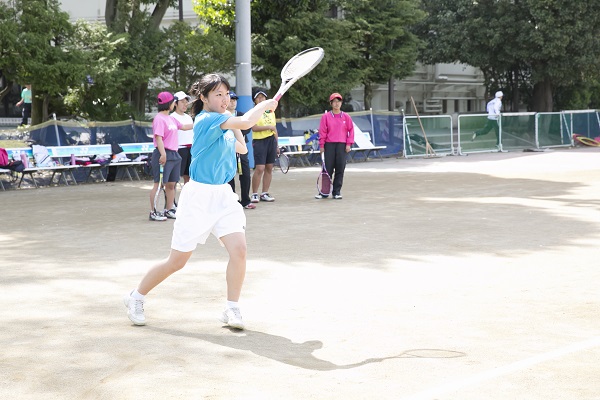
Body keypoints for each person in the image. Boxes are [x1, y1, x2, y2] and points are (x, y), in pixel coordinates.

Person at [123, 74, 278, 330]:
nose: (224, 98)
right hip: (198, 196)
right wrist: (264, 105)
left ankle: (232, 308)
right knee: (177, 261)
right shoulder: (206, 120)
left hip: (224, 196)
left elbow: (242, 149)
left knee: (239, 250)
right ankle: (135, 296)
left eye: (226, 94)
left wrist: (235, 121)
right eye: (218, 94)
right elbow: (250, 120)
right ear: (203, 98)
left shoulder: (224, 122)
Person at [149, 92, 193, 222]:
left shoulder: (171, 118)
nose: (175, 103)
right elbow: (159, 138)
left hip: (174, 154)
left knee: (171, 184)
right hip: (163, 153)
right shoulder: (159, 118)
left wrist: (201, 123)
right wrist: (163, 154)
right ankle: (153, 212)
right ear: (169, 103)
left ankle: (169, 209)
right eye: (174, 101)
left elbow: (184, 127)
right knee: (158, 184)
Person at [316, 92, 354, 200]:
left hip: (342, 146)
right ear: (331, 103)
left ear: (341, 103)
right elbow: (322, 132)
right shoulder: (326, 117)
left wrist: (348, 144)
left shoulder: (346, 117)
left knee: (340, 168)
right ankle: (324, 192)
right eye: (335, 102)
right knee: (327, 169)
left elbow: (351, 131)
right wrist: (322, 145)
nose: (337, 104)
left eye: (339, 101)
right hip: (329, 145)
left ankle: (336, 192)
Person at [227, 90, 255, 209]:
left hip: (241, 149)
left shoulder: (241, 114)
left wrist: (236, 128)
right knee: (229, 175)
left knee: (245, 173)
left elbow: (247, 129)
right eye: (231, 100)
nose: (233, 103)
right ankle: (232, 201)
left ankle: (246, 200)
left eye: (235, 100)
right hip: (227, 149)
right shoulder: (223, 116)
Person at [250, 89, 278, 203]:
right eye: (258, 97)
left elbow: (275, 128)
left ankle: (265, 193)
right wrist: (269, 127)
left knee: (269, 168)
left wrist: (277, 144)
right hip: (259, 141)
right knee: (260, 168)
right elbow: (254, 127)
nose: (261, 99)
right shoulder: (253, 112)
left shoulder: (271, 111)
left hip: (271, 141)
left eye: (263, 97)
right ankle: (254, 194)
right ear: (255, 100)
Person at [172, 91, 194, 185]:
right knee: (175, 178)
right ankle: (171, 199)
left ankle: (187, 198)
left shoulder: (188, 117)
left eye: (186, 102)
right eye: (182, 102)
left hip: (191, 149)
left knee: (188, 177)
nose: (185, 104)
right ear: (175, 103)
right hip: (179, 149)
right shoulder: (172, 117)